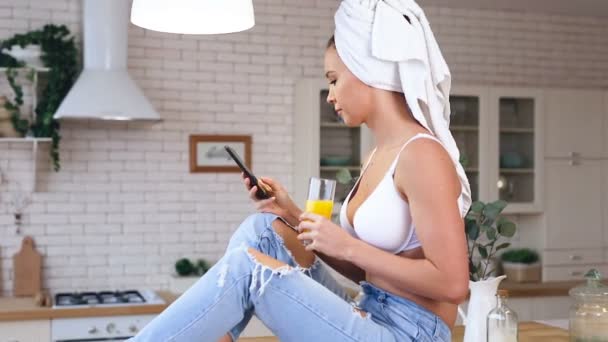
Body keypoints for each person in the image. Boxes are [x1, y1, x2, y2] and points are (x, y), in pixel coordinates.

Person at [130, 0, 471, 341]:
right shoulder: (377, 156)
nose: (330, 95)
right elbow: (369, 271)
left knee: (249, 269)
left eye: (334, 80)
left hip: (410, 333)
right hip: (369, 310)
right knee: (264, 227)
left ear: (367, 68)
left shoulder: (422, 155)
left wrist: (348, 246)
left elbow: (453, 284)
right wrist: (292, 214)